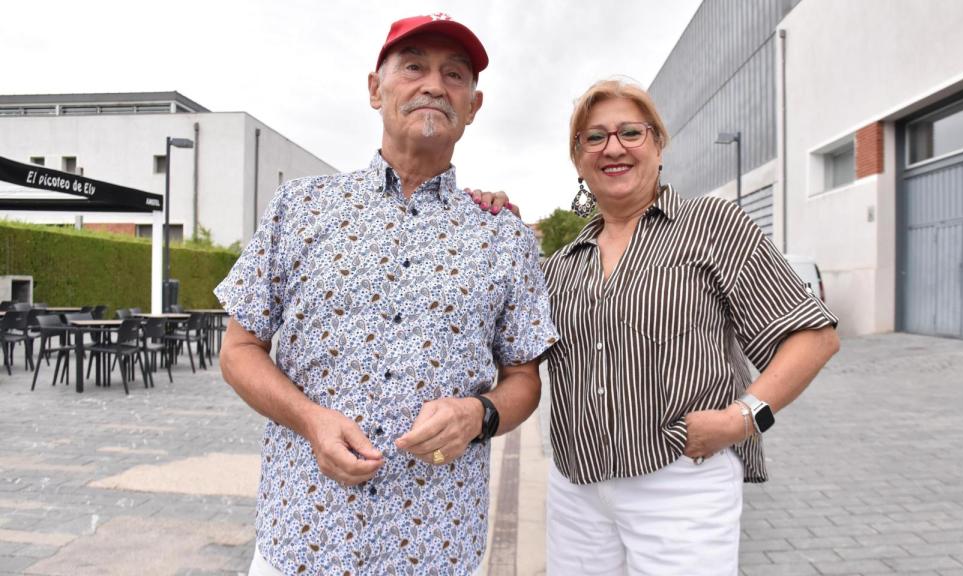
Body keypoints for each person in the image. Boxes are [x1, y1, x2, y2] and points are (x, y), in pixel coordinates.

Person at [214, 13, 558, 575]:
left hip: (439, 547)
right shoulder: (300, 210)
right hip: (305, 539)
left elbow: (524, 380)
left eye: (454, 74)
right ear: (375, 89)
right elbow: (238, 350)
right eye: (414, 67)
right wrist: (310, 420)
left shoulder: (504, 237)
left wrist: (479, 414)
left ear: (473, 105)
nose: (433, 85)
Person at [539, 79, 840, 575]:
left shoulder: (713, 226)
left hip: (679, 480)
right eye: (594, 138)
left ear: (658, 144)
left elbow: (813, 337)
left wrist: (742, 418)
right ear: (578, 160)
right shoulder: (563, 264)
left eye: (630, 132)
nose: (613, 147)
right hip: (576, 489)